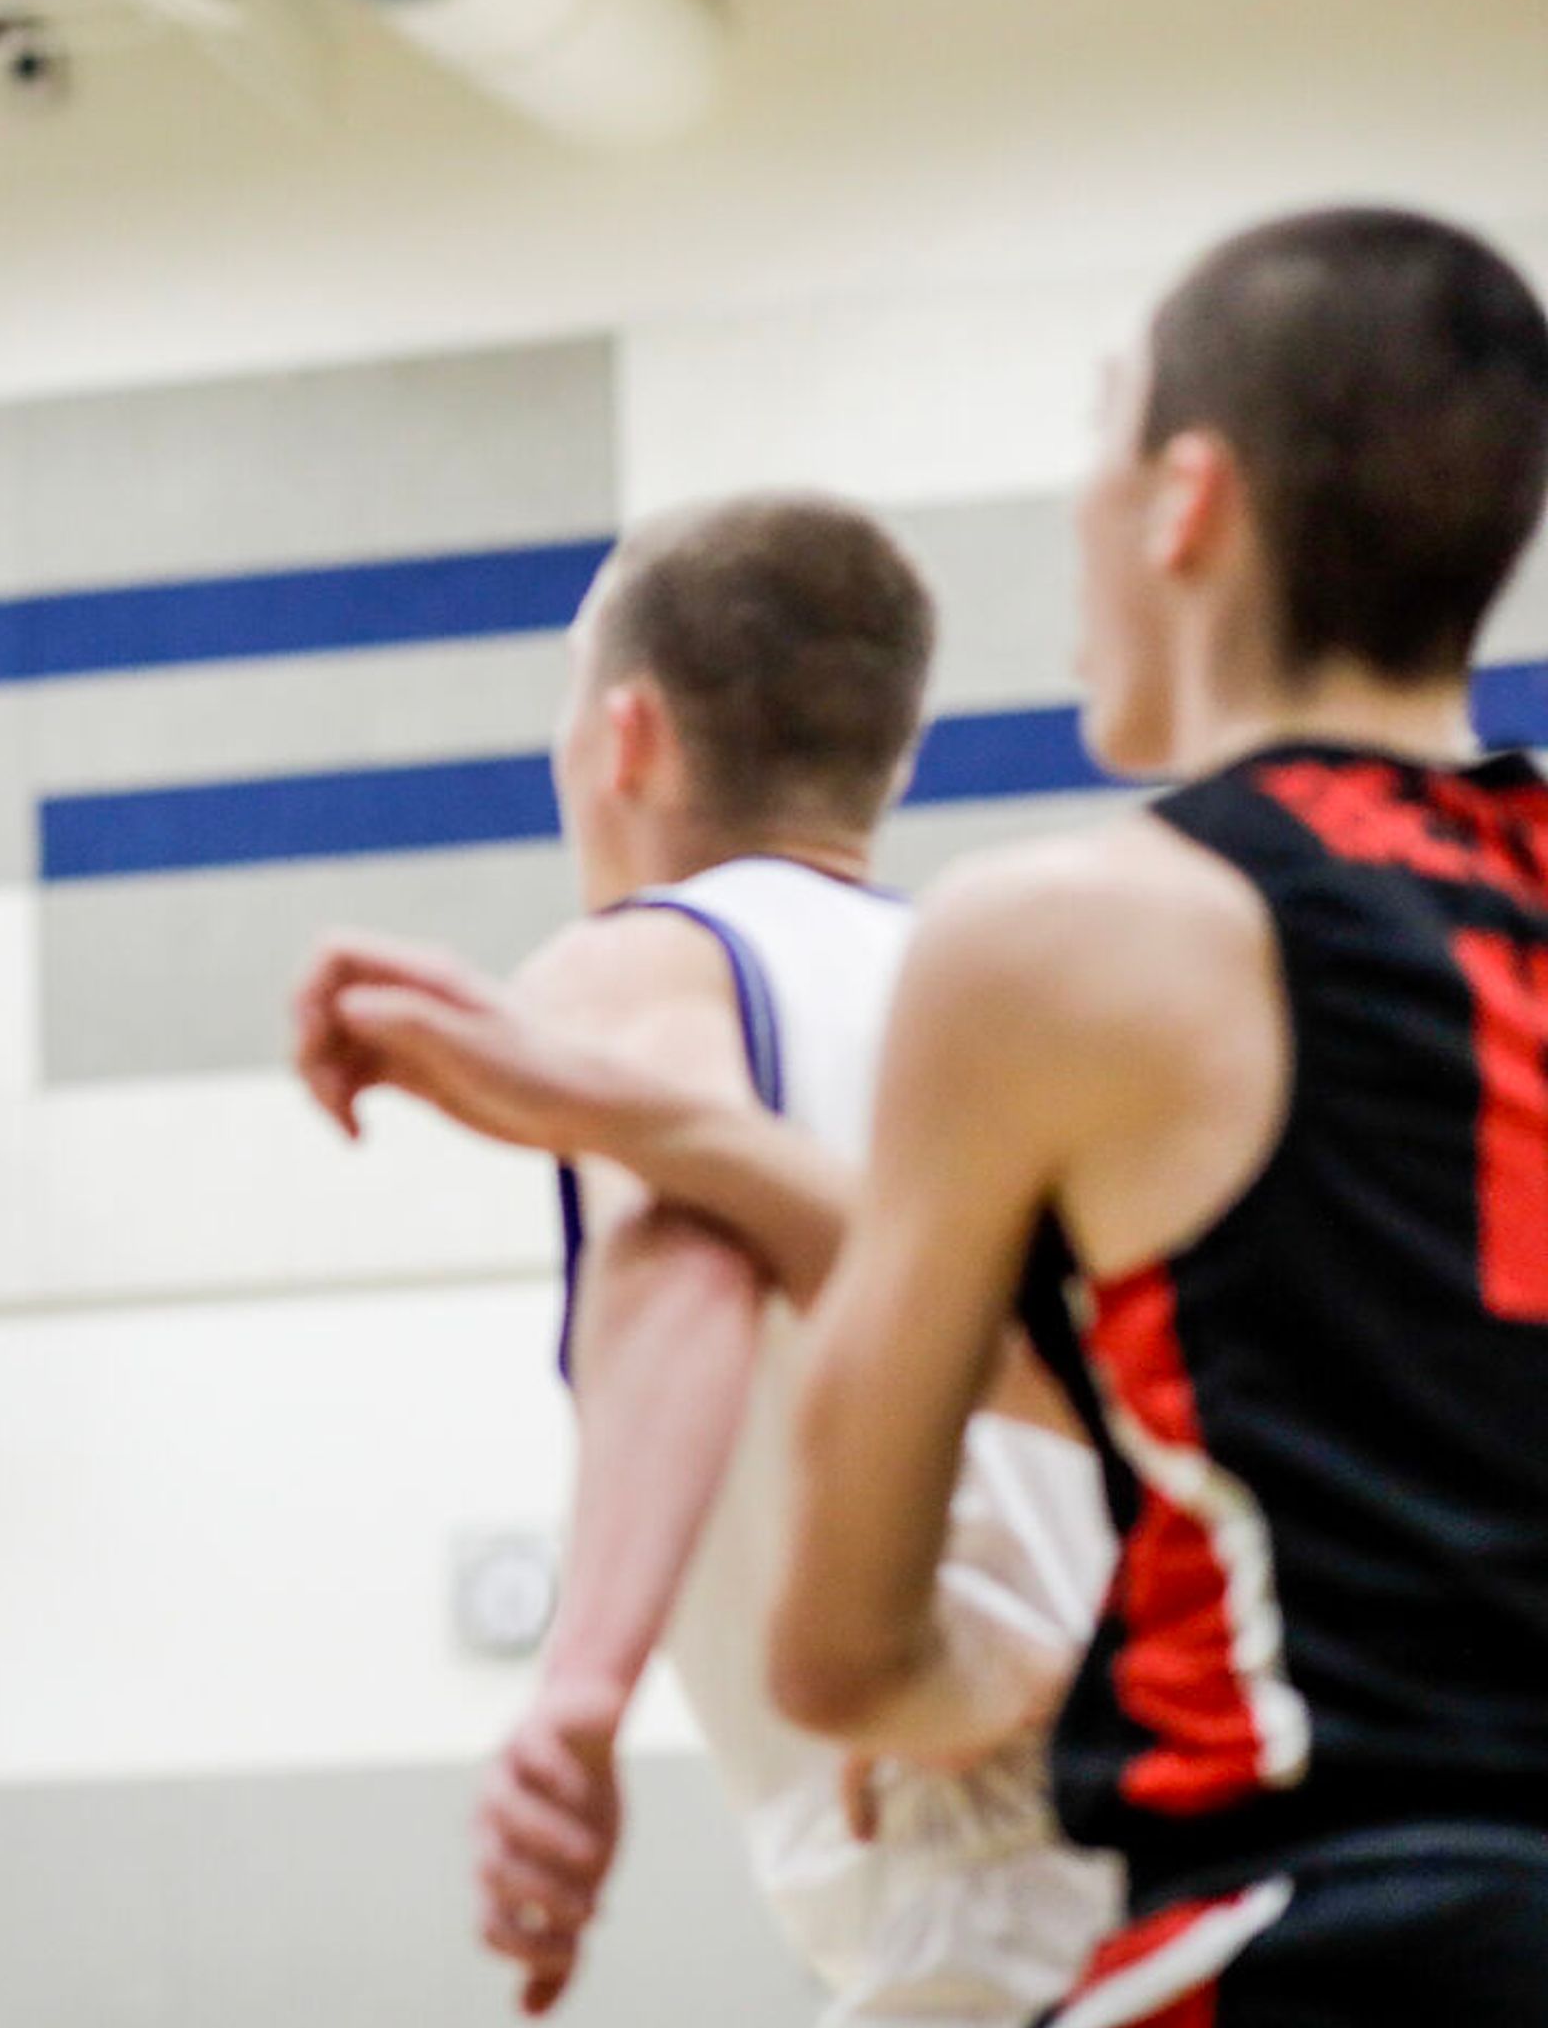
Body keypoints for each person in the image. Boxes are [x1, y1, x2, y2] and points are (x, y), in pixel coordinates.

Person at [317, 209, 1548, 2024]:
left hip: (1275, 1905)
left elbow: (835, 1609)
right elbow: (1163, 1358)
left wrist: (587, 1685)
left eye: (1098, 441)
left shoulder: (1058, 936)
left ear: (1184, 502)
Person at [301, 495, 1117, 2021]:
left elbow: (687, 1244)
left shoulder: (645, 954)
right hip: (1197, 1770)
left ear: (625, 736)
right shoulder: (990, 982)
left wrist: (579, 1696)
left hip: (976, 1827)